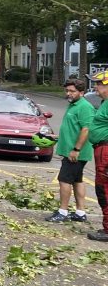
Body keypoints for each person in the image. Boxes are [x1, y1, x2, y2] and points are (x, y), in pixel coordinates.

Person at [46, 78, 93, 224]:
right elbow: (74, 129)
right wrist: (57, 137)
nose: (69, 93)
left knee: (64, 180)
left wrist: (76, 149)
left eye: (72, 91)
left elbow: (86, 129)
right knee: (77, 180)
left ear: (82, 92)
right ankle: (80, 212)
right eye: (67, 91)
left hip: (75, 153)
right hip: (71, 150)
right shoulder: (73, 105)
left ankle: (63, 212)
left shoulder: (84, 107)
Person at [86, 69, 108, 242]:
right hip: (101, 149)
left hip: (106, 151)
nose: (95, 86)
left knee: (104, 189)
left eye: (99, 83)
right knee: (102, 188)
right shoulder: (104, 102)